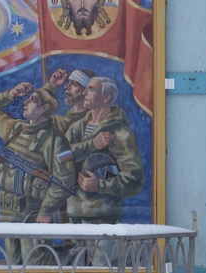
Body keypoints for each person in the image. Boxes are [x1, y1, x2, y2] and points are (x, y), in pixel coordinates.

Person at [58, 75, 145, 223]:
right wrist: (91, 145)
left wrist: (99, 185)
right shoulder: (75, 129)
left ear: (106, 97)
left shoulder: (120, 133)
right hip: (73, 215)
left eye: (91, 89)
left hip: (103, 219)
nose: (84, 93)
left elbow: (134, 179)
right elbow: (60, 159)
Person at [0, 76, 65, 224]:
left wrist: (46, 210)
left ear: (44, 108)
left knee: (33, 248)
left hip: (32, 214)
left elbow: (64, 180)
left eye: (32, 100)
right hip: (6, 210)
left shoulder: (54, 140)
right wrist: (11, 94)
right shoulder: (16, 129)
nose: (25, 102)